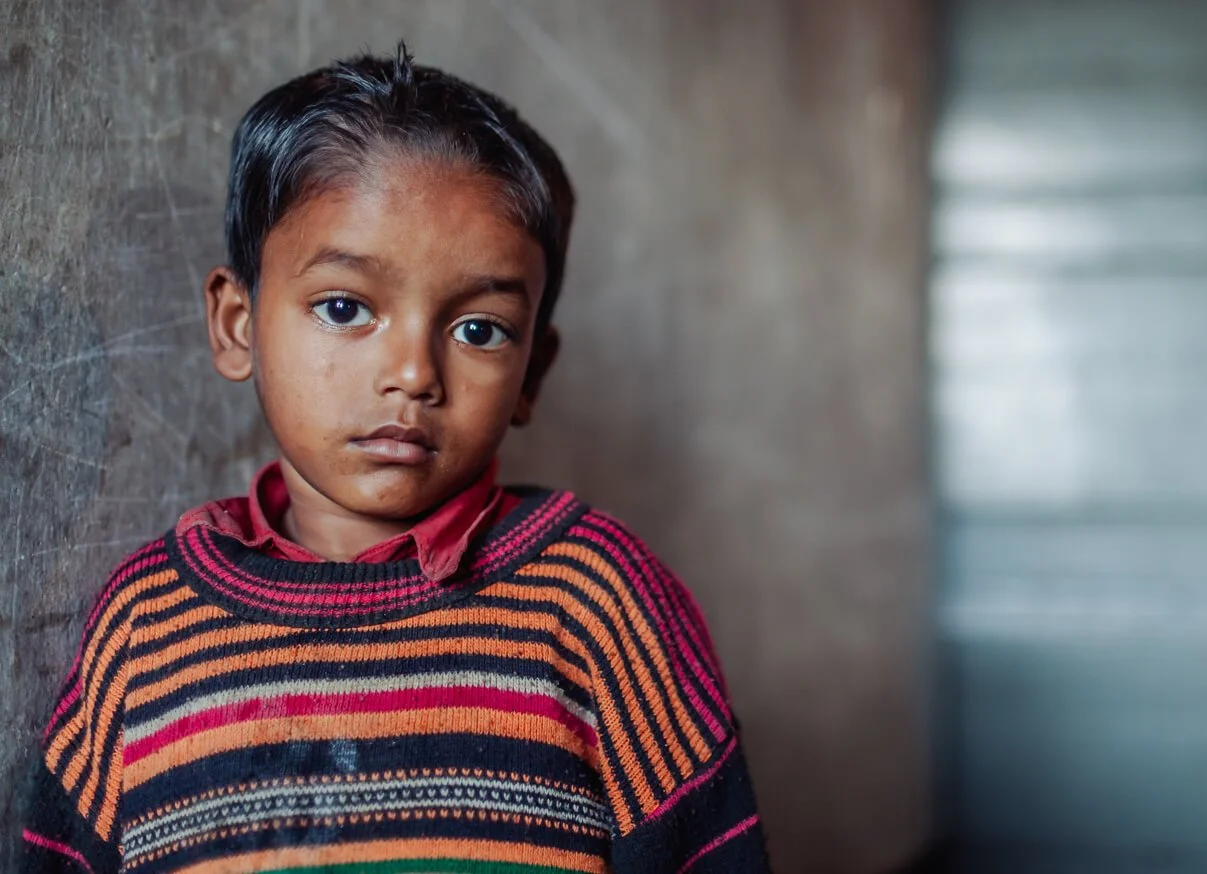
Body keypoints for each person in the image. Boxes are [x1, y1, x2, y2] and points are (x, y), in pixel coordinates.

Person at [21, 44, 769, 874]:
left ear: (533, 374)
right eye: (344, 307)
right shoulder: (146, 631)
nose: (413, 374)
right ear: (238, 324)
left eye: (479, 330)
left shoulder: (600, 604)